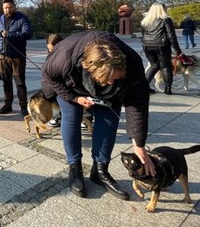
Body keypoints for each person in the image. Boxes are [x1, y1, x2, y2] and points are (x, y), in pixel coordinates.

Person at [42, 30, 155, 199]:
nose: (110, 81)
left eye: (115, 78)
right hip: (72, 86)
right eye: (106, 78)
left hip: (111, 94)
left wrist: (139, 144)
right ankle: (75, 168)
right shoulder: (64, 57)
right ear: (90, 68)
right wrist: (74, 98)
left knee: (109, 121)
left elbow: (137, 103)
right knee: (71, 118)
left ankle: (100, 170)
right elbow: (49, 77)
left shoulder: (132, 63)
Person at [0, 0, 32, 115]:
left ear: (14, 7)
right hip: (2, 56)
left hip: (17, 56)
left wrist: (10, 35)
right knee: (6, 82)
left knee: (20, 83)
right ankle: (7, 104)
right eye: (5, 8)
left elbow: (27, 34)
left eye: (9, 7)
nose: (7, 10)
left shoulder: (22, 18)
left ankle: (24, 106)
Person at [141, 2, 183, 95]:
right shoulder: (166, 20)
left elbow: (143, 34)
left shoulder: (145, 21)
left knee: (154, 65)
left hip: (147, 46)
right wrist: (177, 50)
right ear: (163, 9)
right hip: (161, 46)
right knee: (165, 67)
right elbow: (171, 36)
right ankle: (168, 89)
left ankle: (143, 86)